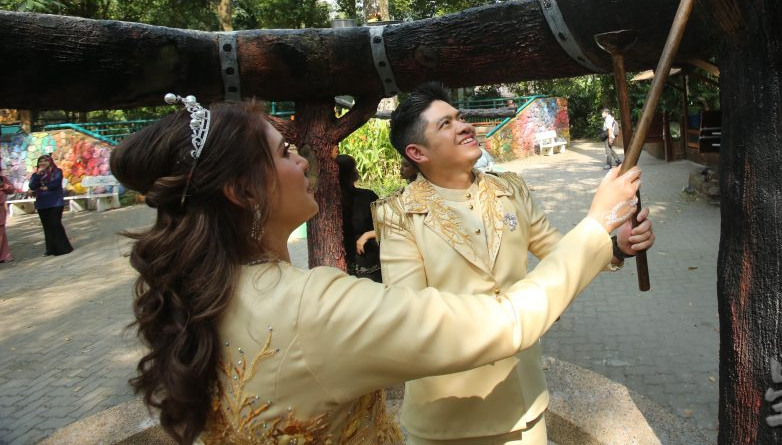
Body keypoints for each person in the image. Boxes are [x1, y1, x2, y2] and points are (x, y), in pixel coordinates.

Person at [111, 94, 642, 445]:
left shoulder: (208, 291)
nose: (304, 162)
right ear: (242, 190)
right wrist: (597, 225)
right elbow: (481, 321)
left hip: (522, 387)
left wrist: (612, 247)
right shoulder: (368, 242)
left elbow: (552, 248)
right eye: (284, 153)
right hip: (451, 392)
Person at [374, 83, 656, 445]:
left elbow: (558, 253)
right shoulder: (398, 215)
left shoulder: (511, 190)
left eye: (460, 118)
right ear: (417, 152)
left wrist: (615, 244)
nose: (464, 126)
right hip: (446, 416)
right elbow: (411, 317)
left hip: (522, 401)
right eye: (445, 124)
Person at [337, 154, 382, 282]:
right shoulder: (331, 203)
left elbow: (388, 227)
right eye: (354, 168)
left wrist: (367, 235)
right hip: (347, 266)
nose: (357, 171)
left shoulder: (368, 196)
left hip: (369, 264)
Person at [28, 154, 73, 256]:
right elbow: (32, 185)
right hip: (42, 204)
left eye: (45, 161)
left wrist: (45, 187)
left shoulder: (57, 171)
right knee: (47, 226)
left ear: (50, 162)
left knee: (55, 224)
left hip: (55, 203)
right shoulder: (36, 175)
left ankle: (63, 248)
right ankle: (50, 249)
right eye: (40, 161)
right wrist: (39, 175)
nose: (42, 163)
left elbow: (55, 183)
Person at [1, 162, 16, 262]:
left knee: (1, 232)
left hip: (0, 209)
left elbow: (11, 190)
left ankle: (4, 255)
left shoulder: (2, 179)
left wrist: (4, 186)